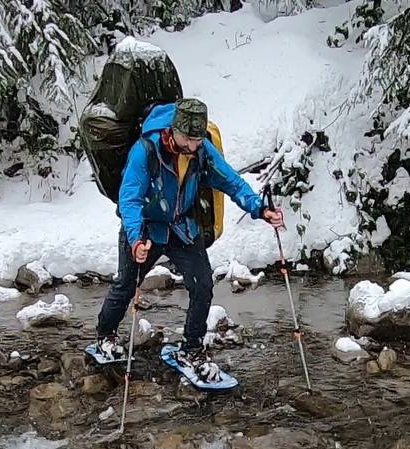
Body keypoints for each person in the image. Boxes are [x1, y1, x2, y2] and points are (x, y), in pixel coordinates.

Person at [94, 98, 284, 381]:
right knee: (125, 285)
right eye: (188, 139)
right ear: (173, 130)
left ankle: (192, 348)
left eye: (198, 139)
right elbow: (130, 199)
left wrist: (260, 208)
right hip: (146, 228)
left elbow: (230, 180)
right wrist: (135, 239)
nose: (194, 145)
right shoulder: (145, 151)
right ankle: (105, 335)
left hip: (182, 228)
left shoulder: (202, 150)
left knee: (203, 285)